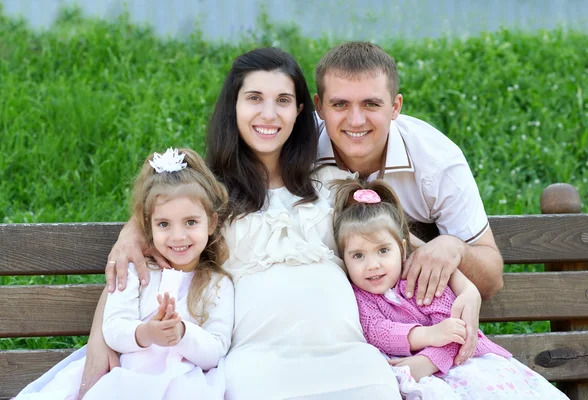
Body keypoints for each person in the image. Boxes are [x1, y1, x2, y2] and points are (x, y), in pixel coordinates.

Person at [79, 47, 481, 399]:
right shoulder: (210, 199)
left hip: (350, 355)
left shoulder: (332, 186)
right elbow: (140, 263)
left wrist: (468, 290)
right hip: (257, 360)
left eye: (283, 100)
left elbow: (402, 243)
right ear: (233, 106)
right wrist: (99, 340)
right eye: (254, 98)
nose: (268, 114)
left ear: (301, 111)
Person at [16, 148, 234, 400]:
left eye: (191, 222)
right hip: (127, 375)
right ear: (148, 226)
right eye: (164, 224)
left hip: (183, 383)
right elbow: (114, 327)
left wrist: (182, 333)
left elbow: (217, 350)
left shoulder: (217, 285)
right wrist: (147, 334)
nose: (178, 236)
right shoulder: (138, 271)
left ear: (212, 222)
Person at [330, 178, 568, 399]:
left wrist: (428, 360)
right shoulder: (358, 298)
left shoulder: (421, 280)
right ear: (344, 259)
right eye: (358, 255)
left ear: (402, 249)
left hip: (464, 364)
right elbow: (376, 330)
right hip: (418, 376)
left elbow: (457, 332)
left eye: (383, 250)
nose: (373, 265)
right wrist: (428, 336)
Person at [313, 41, 504, 305]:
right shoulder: (293, 148)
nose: (356, 120)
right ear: (319, 107)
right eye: (340, 105)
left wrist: (455, 248)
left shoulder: (437, 161)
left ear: (395, 107)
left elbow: (492, 278)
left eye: (371, 104)